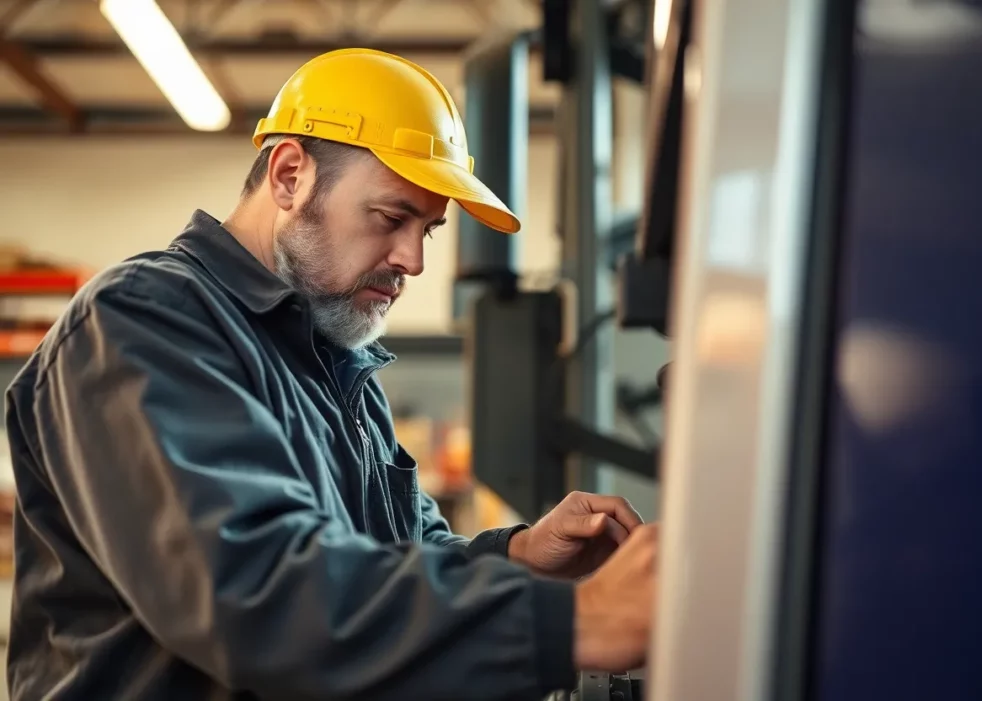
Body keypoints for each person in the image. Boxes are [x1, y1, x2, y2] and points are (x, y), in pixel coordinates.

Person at [3, 49, 657, 700]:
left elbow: (390, 558)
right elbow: (256, 594)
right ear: (289, 175)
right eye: (392, 217)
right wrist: (578, 620)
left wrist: (514, 556)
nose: (413, 260)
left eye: (427, 230)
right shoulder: (140, 322)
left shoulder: (336, 365)